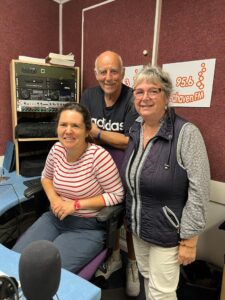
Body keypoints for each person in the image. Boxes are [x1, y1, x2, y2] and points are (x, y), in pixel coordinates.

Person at [121, 64, 210, 300]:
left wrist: (190, 240)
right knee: (148, 279)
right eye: (139, 91)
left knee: (162, 293)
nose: (145, 97)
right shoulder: (136, 129)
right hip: (139, 229)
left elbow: (199, 190)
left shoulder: (187, 133)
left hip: (167, 233)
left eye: (154, 91)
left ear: (167, 96)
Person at [13, 103, 124, 274]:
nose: (68, 131)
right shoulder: (56, 150)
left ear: (87, 131)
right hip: (55, 218)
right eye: (63, 125)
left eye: (75, 126)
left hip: (86, 227)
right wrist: (55, 199)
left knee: (46, 272)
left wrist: (75, 205)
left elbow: (117, 195)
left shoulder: (99, 157)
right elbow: (46, 177)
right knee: (16, 259)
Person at [80, 50, 140, 296]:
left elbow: (129, 141)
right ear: (96, 74)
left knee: (129, 220)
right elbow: (82, 130)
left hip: (125, 168)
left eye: (113, 71)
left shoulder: (132, 98)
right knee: (108, 217)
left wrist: (98, 134)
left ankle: (133, 264)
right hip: (97, 167)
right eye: (103, 71)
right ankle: (115, 256)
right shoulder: (89, 95)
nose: (108, 77)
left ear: (123, 74)